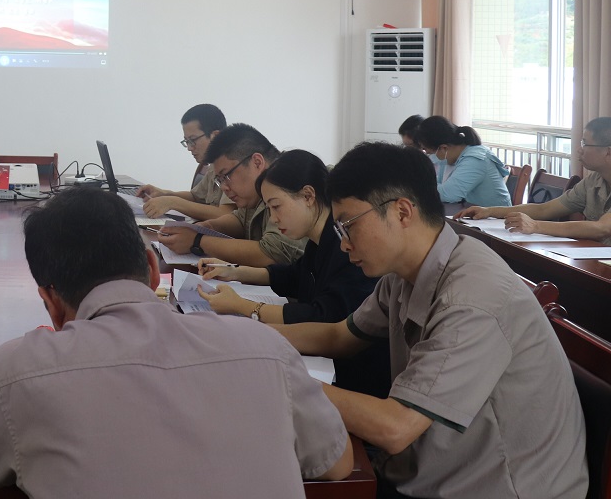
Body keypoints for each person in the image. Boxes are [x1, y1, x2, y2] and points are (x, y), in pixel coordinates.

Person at [0, 186, 352, 497]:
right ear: (152, 269)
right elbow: (337, 463)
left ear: (49, 302)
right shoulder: (264, 348)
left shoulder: (18, 371)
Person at [276, 142, 588, 499]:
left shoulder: (472, 296)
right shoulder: (405, 274)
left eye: (348, 226)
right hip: (431, 469)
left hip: (497, 488)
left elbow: (395, 427)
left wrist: (283, 382)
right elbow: (339, 337)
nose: (344, 244)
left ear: (402, 212)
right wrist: (253, 338)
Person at [195, 149, 390, 397]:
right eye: (269, 209)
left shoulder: (346, 246)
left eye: (276, 207)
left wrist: (243, 306)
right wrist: (234, 272)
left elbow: (324, 317)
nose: (274, 219)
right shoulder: (319, 240)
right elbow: (294, 276)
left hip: (354, 381)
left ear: (308, 195)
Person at [157, 124, 306, 267]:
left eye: (226, 176)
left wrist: (197, 241)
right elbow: (241, 219)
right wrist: (206, 227)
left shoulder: (289, 180)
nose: (223, 187)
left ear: (257, 162)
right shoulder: (257, 190)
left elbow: (272, 254)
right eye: (219, 180)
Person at [458, 116, 611, 242]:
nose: (579, 149)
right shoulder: (593, 181)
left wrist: (536, 226)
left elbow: (602, 228)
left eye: (584, 143)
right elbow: (544, 209)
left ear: (608, 152)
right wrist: (490, 211)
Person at [134, 103, 234, 220]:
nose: (189, 148)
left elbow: (226, 214)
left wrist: (173, 202)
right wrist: (165, 194)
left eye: (193, 140)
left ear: (215, 136)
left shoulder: (234, 164)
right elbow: (196, 196)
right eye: (187, 141)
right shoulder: (214, 163)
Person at [415, 115, 511, 208]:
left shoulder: (475, 160)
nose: (430, 156)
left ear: (443, 148)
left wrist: (417, 187)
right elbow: (436, 182)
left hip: (496, 217)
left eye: (429, 152)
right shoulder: (452, 156)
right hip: (471, 211)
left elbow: (448, 194)